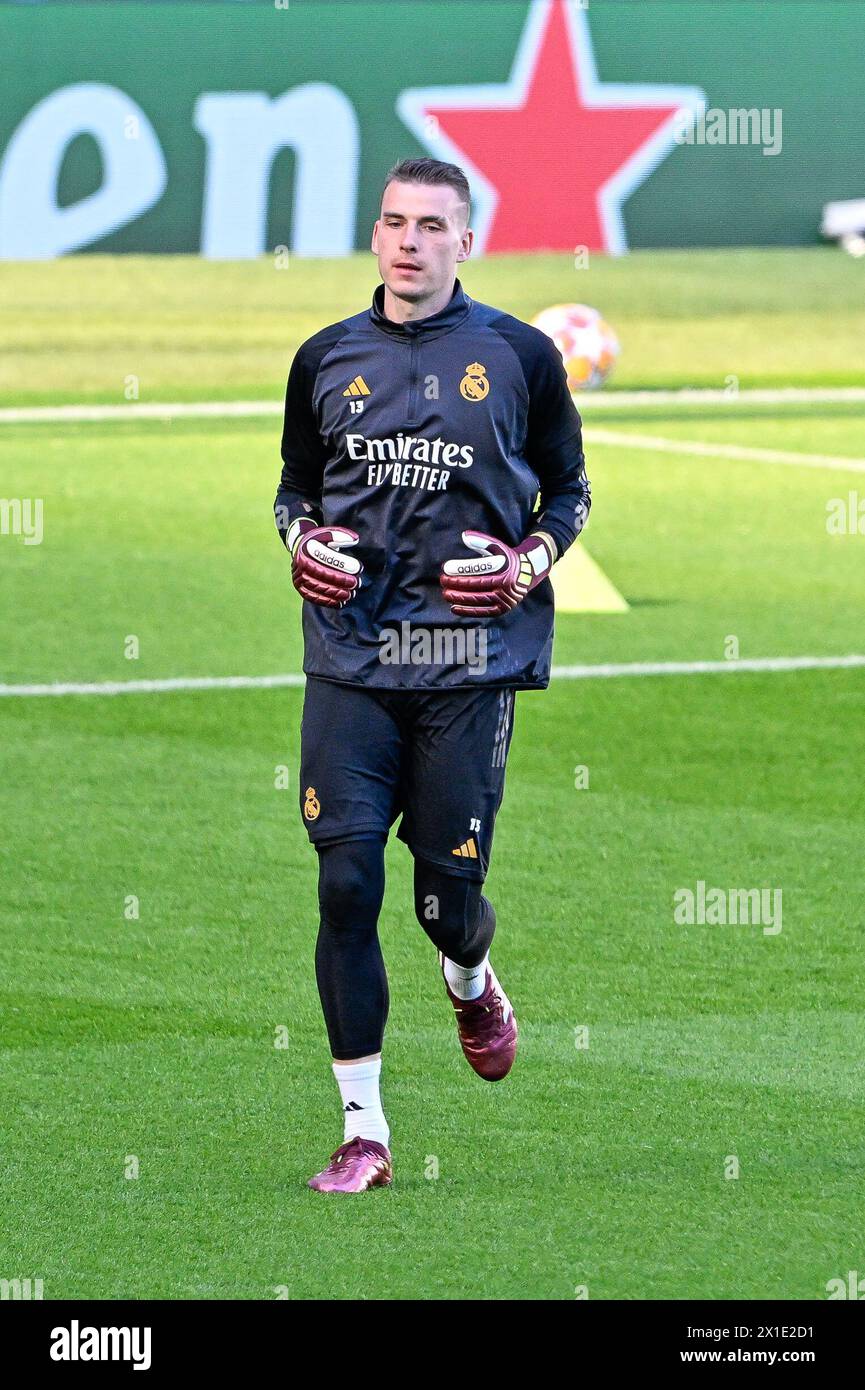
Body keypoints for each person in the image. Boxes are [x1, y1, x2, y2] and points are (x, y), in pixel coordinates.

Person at [274, 157, 591, 1193]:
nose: (408, 242)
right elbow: (291, 489)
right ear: (375, 236)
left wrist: (526, 565)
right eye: (392, 223)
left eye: (431, 226)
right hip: (352, 657)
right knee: (345, 880)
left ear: (467, 242)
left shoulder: (520, 356)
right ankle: (364, 1131)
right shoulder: (324, 357)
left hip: (464, 664)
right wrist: (298, 540)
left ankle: (470, 975)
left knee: (442, 901)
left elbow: (569, 496)